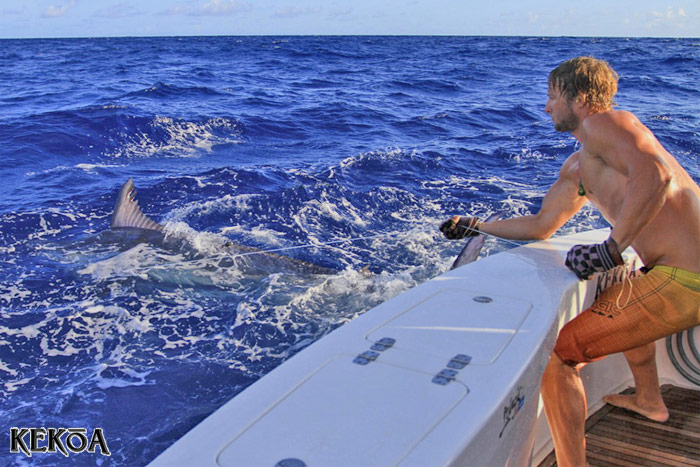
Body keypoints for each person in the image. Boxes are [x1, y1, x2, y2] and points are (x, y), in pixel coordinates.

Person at [441, 56, 700, 466]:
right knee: (621, 287)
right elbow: (542, 226)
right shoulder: (581, 164)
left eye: (551, 96)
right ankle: (651, 401)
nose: (546, 107)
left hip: (689, 277)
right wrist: (478, 227)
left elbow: (656, 174)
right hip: (673, 273)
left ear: (579, 99)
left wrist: (610, 249)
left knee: (561, 356)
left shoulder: (606, 123)